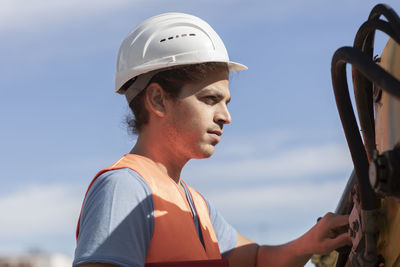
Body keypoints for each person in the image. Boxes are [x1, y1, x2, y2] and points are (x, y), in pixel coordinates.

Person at [73, 13, 351, 267]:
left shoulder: (196, 204)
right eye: (210, 99)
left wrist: (311, 241)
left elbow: (255, 261)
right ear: (158, 99)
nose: (225, 117)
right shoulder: (124, 189)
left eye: (226, 102)